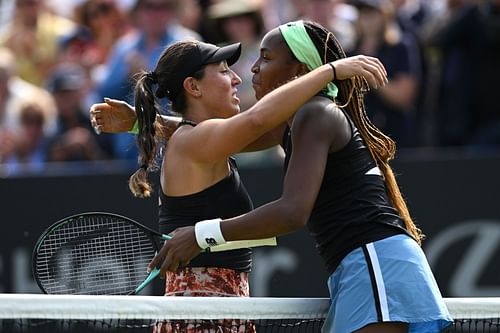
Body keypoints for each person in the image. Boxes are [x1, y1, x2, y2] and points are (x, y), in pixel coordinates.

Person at [146, 21, 453, 333]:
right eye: (227, 70)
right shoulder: (304, 118)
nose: (250, 70)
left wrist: (201, 235)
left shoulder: (314, 114)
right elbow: (217, 133)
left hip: (373, 261)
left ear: (299, 69)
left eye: (265, 58)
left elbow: (292, 210)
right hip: (363, 265)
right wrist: (145, 122)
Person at [90, 31, 388, 332]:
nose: (237, 79)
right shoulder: (194, 140)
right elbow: (259, 120)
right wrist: (331, 71)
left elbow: (268, 127)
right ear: (193, 87)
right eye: (223, 72)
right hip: (202, 310)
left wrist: (147, 123)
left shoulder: (198, 139)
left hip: (220, 306)